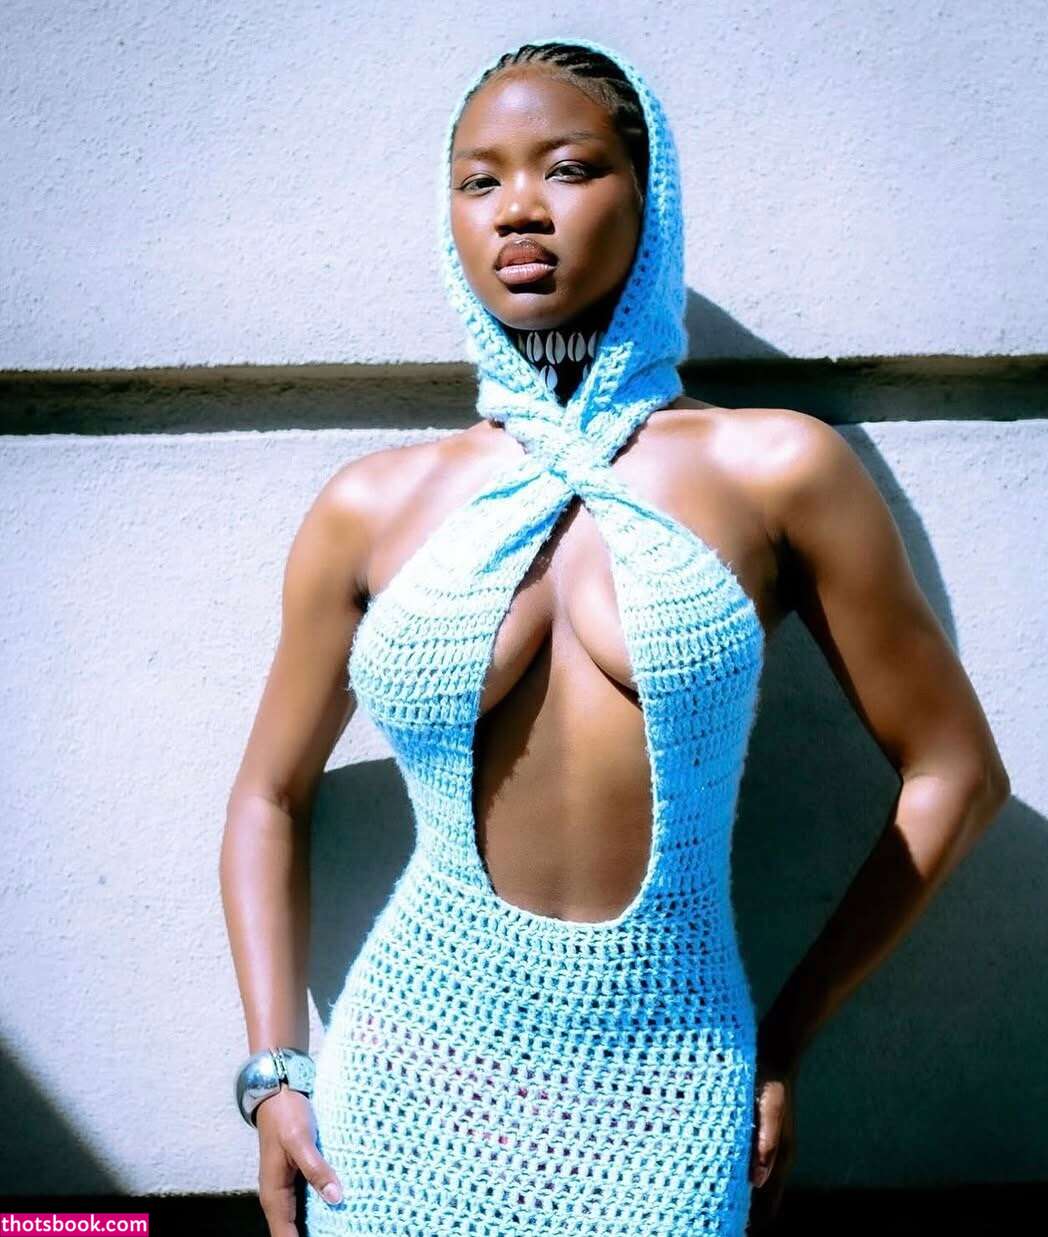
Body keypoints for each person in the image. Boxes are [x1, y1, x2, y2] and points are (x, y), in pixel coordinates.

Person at [220, 37, 1011, 1237]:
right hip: (408, 1083)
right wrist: (274, 1070)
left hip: (672, 1078)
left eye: (568, 167)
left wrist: (787, 1032)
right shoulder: (372, 505)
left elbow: (955, 772)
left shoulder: (774, 468)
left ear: (652, 202)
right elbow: (267, 795)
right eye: (478, 179)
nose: (517, 208)